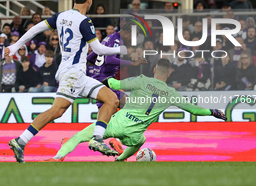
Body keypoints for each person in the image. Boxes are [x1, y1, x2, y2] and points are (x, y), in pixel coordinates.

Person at [7, 0, 127, 163]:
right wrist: (121, 49)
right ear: (89, 0)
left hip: (78, 74)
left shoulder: (61, 16)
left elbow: (34, 30)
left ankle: (97, 138)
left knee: (111, 99)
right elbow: (98, 48)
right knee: (56, 111)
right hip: (72, 74)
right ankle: (20, 140)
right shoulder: (84, 21)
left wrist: (15, 46)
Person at [46, 59, 227, 162]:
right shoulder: (172, 93)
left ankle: (57, 157)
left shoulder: (142, 80)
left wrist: (102, 80)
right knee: (141, 141)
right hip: (135, 132)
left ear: (155, 69)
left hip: (116, 123)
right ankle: (120, 159)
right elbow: (193, 109)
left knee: (79, 136)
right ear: (169, 73)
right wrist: (212, 112)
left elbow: (114, 84)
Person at [86, 21, 147, 108]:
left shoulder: (108, 37)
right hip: (105, 81)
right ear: (127, 33)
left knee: (107, 115)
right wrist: (132, 63)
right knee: (130, 106)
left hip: (99, 80)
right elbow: (109, 59)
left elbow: (90, 58)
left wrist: (100, 67)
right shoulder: (116, 40)